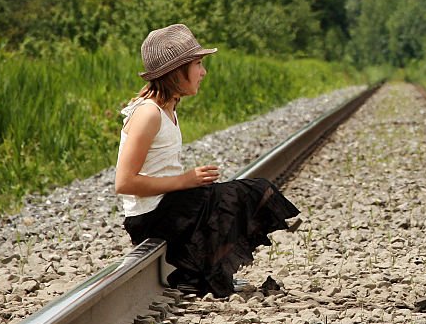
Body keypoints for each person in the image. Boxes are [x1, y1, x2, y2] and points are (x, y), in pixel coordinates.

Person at [115, 23, 300, 297]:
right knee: (250, 193)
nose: (203, 72)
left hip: (167, 207)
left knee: (231, 198)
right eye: (198, 64)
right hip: (151, 216)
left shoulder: (167, 109)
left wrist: (188, 184)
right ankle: (199, 274)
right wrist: (185, 180)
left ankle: (202, 274)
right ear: (177, 71)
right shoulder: (148, 114)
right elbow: (124, 182)